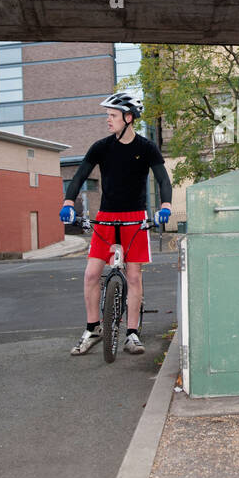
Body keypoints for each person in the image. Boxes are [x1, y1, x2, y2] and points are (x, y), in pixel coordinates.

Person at [59, 93, 173, 356]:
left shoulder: (146, 148)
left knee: (133, 276)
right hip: (106, 218)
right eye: (107, 115)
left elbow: (163, 181)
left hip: (135, 218)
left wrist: (166, 206)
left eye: (112, 115)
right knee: (90, 274)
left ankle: (132, 334)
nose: (107, 120)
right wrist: (67, 202)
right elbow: (78, 177)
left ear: (128, 118)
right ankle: (93, 328)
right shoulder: (101, 146)